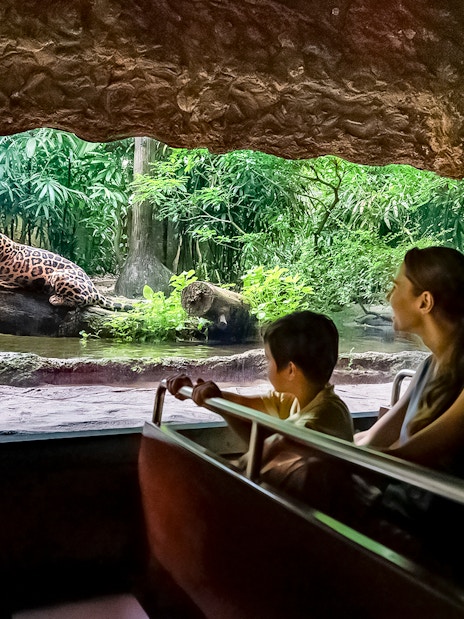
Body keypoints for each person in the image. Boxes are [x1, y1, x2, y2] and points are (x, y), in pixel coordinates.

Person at [167, 310, 353, 445]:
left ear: (290, 370)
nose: (265, 366)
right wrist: (194, 392)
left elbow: (264, 448)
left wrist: (218, 406)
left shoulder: (320, 420)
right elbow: (245, 405)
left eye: (268, 359)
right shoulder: (297, 397)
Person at [355, 246, 464, 475]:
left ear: (424, 302)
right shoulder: (429, 365)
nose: (388, 297)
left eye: (395, 287)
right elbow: (373, 437)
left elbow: (409, 456)